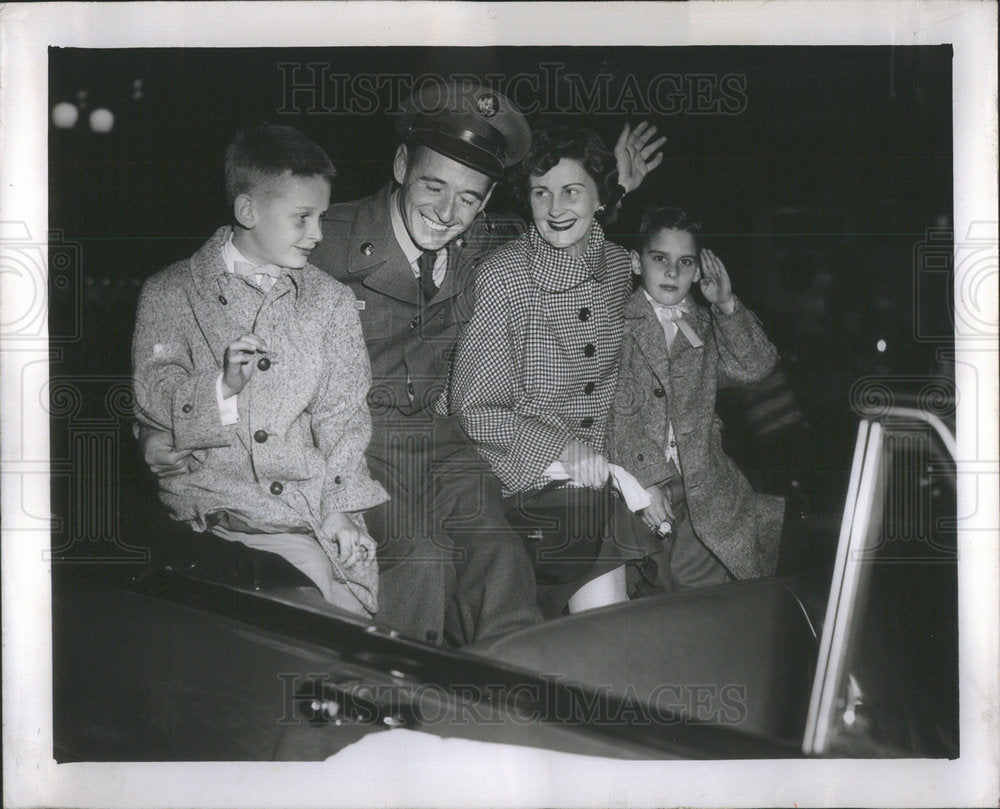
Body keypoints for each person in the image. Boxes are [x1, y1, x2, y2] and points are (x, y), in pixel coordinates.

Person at [145, 81, 663, 645]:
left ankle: (515, 702)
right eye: (433, 186)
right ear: (400, 165)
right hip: (349, 440)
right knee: (421, 563)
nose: (446, 212)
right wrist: (157, 430)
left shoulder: (485, 242)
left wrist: (610, 190)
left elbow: (556, 236)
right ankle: (400, 708)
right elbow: (209, 302)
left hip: (440, 441)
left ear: (487, 201)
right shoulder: (322, 235)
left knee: (500, 558)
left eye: (469, 197)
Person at [132, 124, 387, 617]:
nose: (317, 234)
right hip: (213, 514)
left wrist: (340, 510)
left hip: (307, 512)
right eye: (302, 218)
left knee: (349, 622)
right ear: (248, 210)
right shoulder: (169, 292)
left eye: (322, 218)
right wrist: (220, 389)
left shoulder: (329, 302)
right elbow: (153, 399)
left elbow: (344, 419)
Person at [442, 124, 661, 618]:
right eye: (542, 193)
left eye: (571, 192)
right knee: (609, 624)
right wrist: (561, 446)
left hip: (598, 478)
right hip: (521, 479)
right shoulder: (505, 276)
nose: (556, 208)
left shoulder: (616, 265)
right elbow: (473, 409)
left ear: (601, 199)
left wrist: (641, 475)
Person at [607, 206, 785, 588]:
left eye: (685, 262)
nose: (672, 273)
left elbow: (755, 366)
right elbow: (611, 413)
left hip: (703, 484)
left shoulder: (704, 324)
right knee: (648, 588)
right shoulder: (614, 320)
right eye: (660, 259)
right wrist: (646, 480)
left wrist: (725, 305)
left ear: (699, 270)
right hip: (633, 479)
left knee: (711, 588)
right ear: (637, 263)